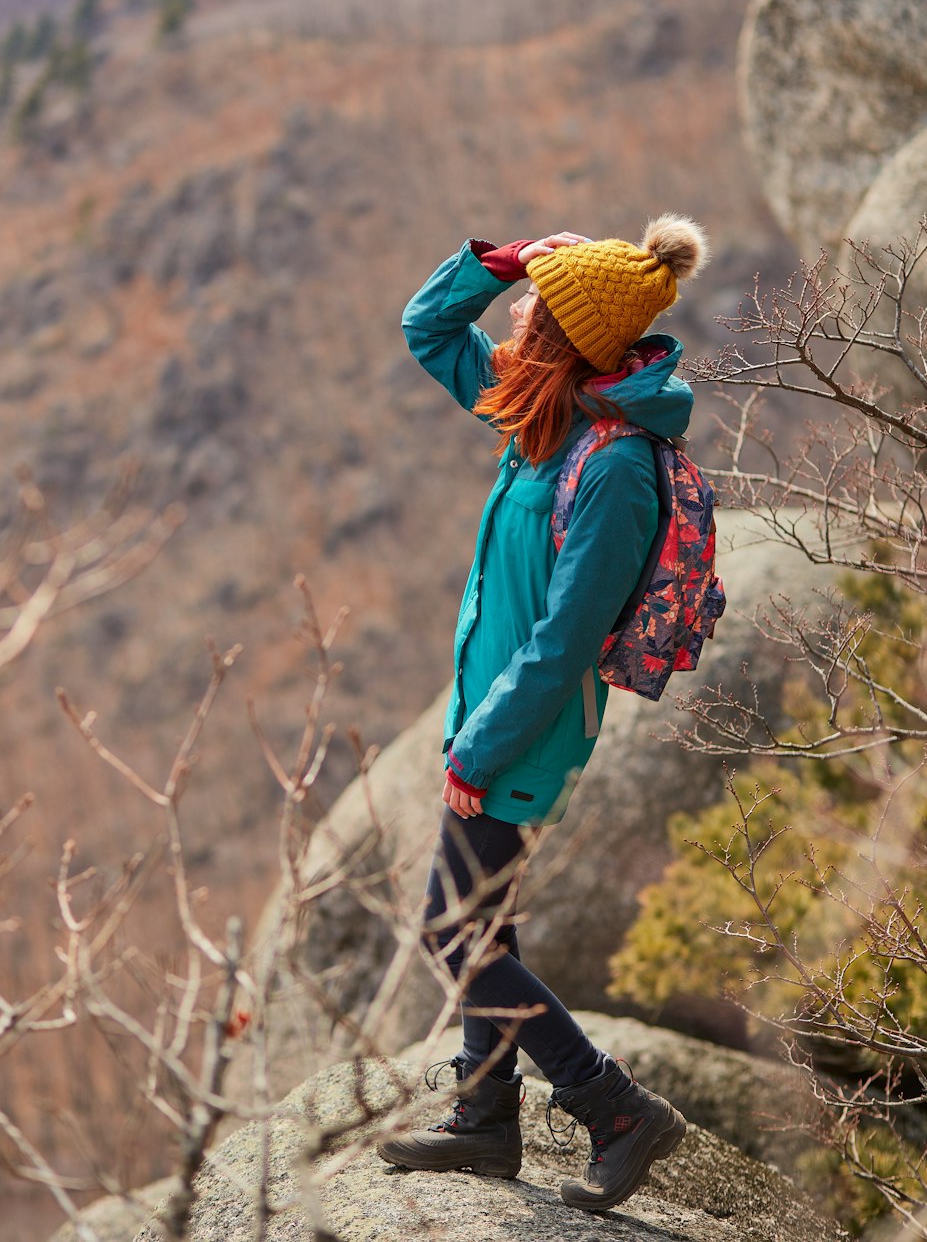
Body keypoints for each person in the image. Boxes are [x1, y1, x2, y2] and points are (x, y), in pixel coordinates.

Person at [376, 216, 709, 1213]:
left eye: (535, 302)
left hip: (528, 726)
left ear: (564, 334)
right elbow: (427, 329)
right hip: (489, 713)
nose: (520, 310)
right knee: (486, 921)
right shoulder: (541, 417)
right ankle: (483, 1119)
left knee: (455, 931)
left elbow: (566, 639)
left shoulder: (606, 465)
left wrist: (478, 750)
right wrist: (501, 260)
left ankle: (613, 1107)